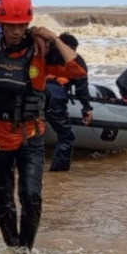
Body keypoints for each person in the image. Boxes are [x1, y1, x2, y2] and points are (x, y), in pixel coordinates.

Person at [0, 0, 86, 254]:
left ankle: (25, 251)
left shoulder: (41, 49)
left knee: (31, 196)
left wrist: (52, 36)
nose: (16, 31)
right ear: (0, 22)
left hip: (31, 136)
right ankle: (13, 250)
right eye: (11, 26)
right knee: (4, 202)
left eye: (21, 25)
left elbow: (77, 69)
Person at [45, 32, 93, 172]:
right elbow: (81, 87)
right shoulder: (75, 63)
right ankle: (58, 174)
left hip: (36, 95)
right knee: (66, 137)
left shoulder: (44, 54)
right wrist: (86, 108)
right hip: (55, 98)